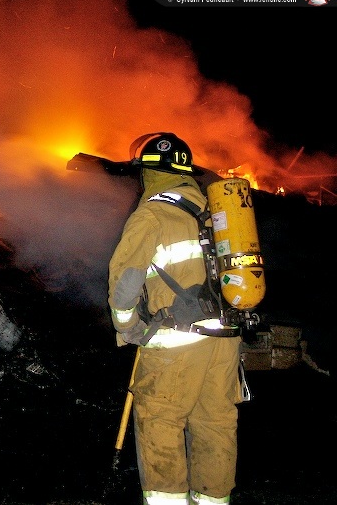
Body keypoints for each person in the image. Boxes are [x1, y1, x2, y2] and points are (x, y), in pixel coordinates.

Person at [108, 133, 244, 504]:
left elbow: (125, 283)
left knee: (160, 420)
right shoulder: (216, 211)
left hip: (177, 342)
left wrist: (128, 327)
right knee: (215, 422)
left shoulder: (151, 215)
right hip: (226, 338)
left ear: (148, 173)